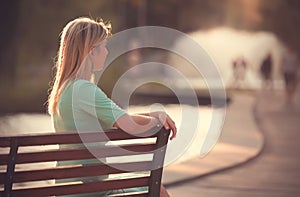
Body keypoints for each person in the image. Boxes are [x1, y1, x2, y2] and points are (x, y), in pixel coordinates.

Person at [47, 17, 177, 196]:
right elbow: (130, 126)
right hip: (91, 190)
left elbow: (120, 117)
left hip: (67, 189)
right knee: (159, 192)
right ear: (91, 52)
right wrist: (157, 119)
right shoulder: (85, 90)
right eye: (104, 46)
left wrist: (151, 114)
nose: (107, 52)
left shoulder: (65, 90)